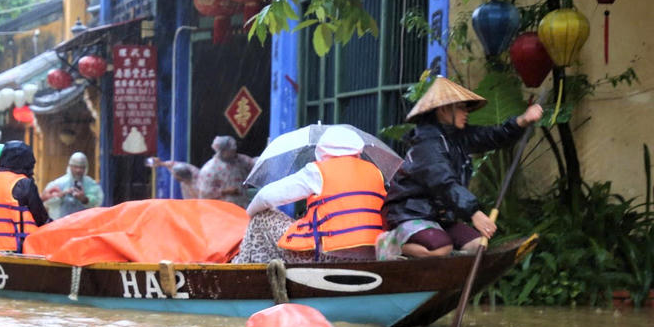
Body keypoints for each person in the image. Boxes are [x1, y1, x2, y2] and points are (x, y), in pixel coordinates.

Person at [379, 76, 543, 258]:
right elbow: (444, 182)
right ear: (443, 109)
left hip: (440, 218)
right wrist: (474, 213)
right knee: (441, 249)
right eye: (461, 107)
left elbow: (493, 135)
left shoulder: (458, 137)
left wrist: (523, 120)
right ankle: (391, 244)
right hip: (410, 215)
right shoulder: (427, 144)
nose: (466, 112)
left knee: (476, 246)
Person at [233, 126, 386, 263]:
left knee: (261, 217)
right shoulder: (375, 171)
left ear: (322, 151)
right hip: (372, 254)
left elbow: (265, 197)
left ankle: (242, 270)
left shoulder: (318, 171)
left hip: (326, 255)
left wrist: (249, 214)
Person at [153, 135, 255, 208]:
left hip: (242, 206)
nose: (234, 151)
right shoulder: (210, 169)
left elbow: (255, 165)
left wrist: (161, 163)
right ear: (222, 151)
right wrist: (226, 191)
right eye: (230, 150)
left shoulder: (241, 160)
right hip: (222, 211)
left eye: (234, 149)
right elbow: (205, 193)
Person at [42, 151, 104, 220]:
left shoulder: (91, 184)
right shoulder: (58, 183)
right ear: (70, 166)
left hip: (84, 225)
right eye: (75, 166)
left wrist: (84, 199)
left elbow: (98, 201)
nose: (78, 170)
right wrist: (62, 195)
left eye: (81, 167)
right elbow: (47, 202)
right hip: (62, 225)